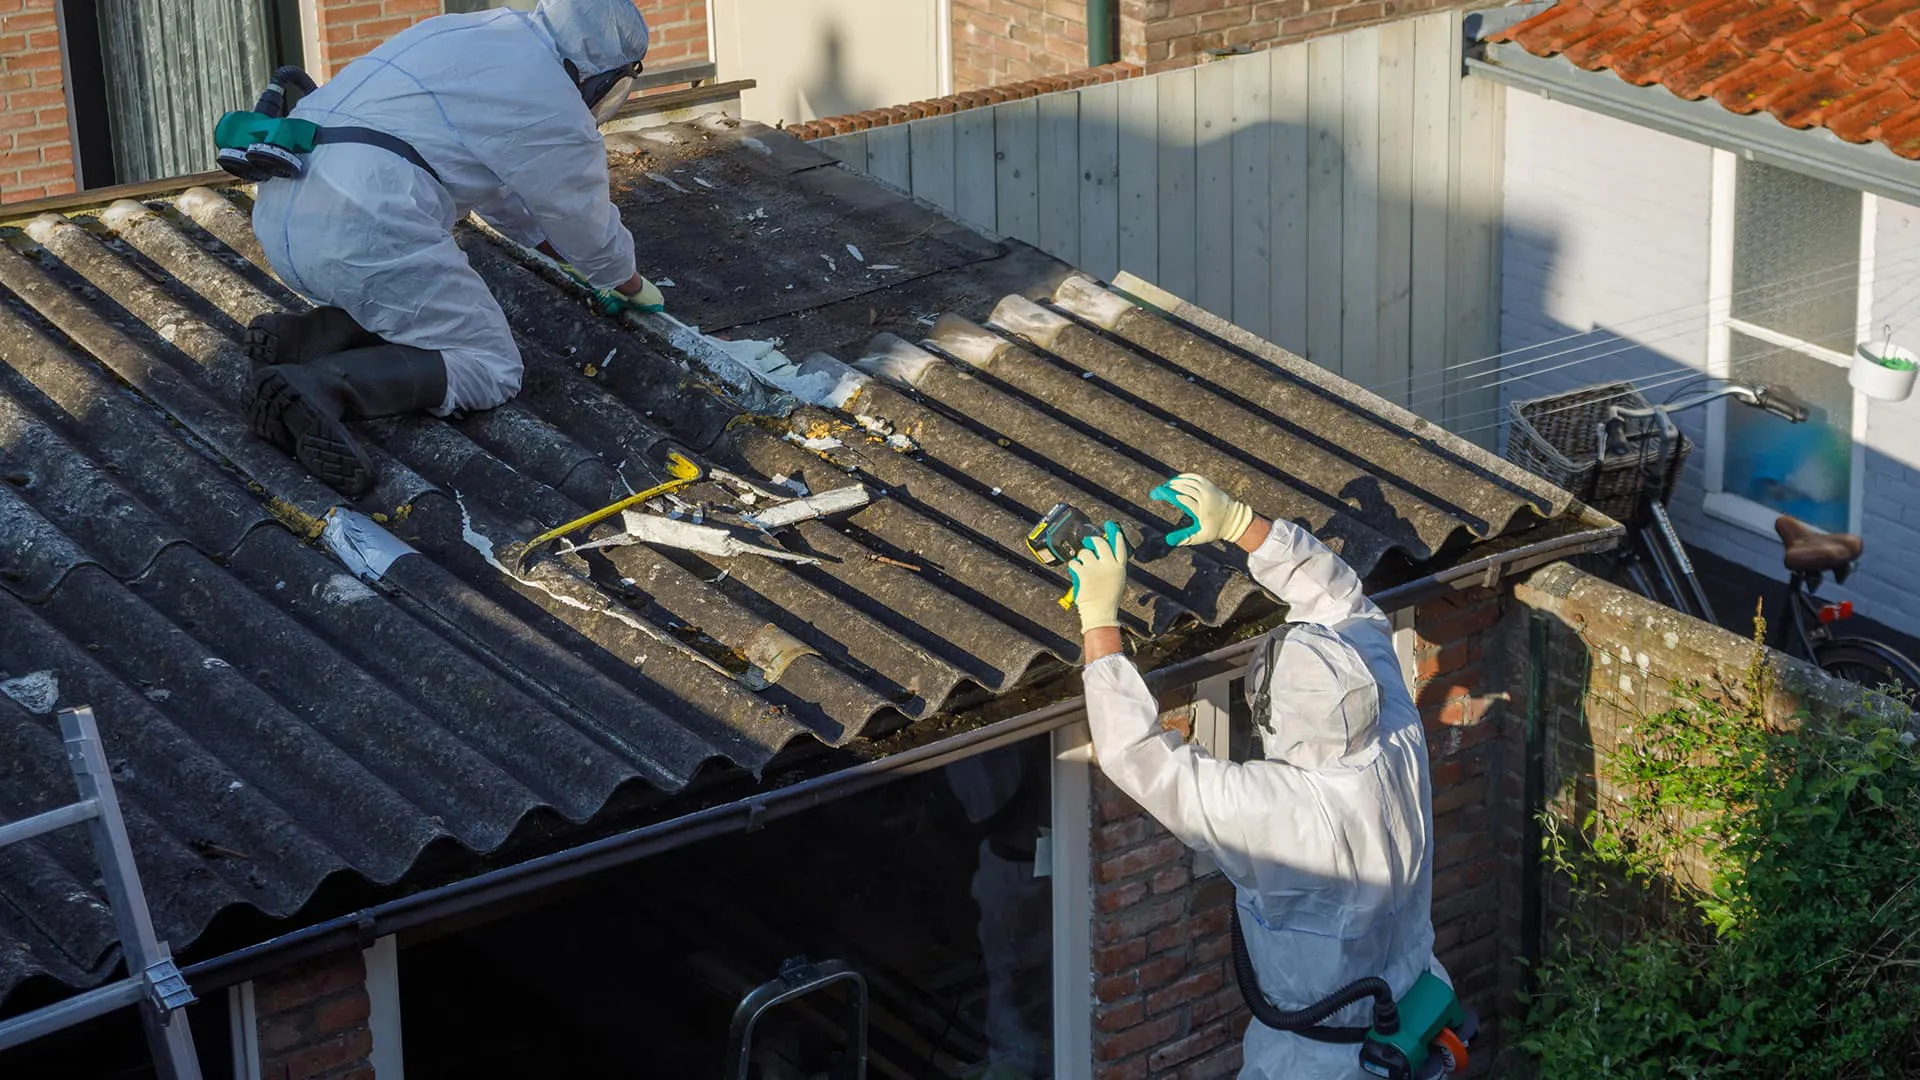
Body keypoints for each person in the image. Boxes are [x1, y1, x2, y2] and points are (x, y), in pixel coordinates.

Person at [1066, 473, 1449, 1080]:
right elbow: (1344, 604)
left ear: (1269, 717)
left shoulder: (1277, 811)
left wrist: (1097, 615)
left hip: (1319, 1058)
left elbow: (1134, 751)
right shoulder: (1395, 729)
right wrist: (1242, 524)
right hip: (1415, 1009)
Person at [243, 0, 665, 497]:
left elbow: (508, 192)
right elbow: (582, 218)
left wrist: (563, 256)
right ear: (602, 75)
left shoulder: (468, 32)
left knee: (409, 300)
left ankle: (310, 334)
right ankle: (324, 384)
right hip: (366, 230)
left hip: (281, 210)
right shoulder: (550, 99)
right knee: (491, 366)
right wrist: (627, 282)